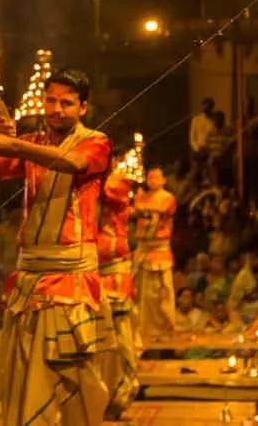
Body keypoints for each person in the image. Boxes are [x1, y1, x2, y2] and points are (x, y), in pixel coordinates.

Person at [0, 67, 112, 426]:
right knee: (23, 375)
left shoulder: (96, 142)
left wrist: (15, 144)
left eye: (67, 102)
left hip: (70, 280)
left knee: (73, 376)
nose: (56, 109)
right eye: (51, 100)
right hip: (30, 277)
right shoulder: (34, 143)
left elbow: (73, 163)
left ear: (84, 107)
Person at [97, 171, 140, 419]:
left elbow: (110, 192)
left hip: (116, 274)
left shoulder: (118, 183)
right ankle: (100, 400)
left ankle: (119, 396)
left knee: (121, 343)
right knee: (99, 346)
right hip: (90, 273)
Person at [133, 167, 177, 339]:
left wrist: (140, 206)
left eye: (156, 177)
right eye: (150, 177)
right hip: (143, 248)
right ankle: (145, 330)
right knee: (144, 293)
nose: (153, 180)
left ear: (163, 180)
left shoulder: (167, 198)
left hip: (160, 249)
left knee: (162, 292)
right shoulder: (142, 197)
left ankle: (165, 329)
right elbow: (136, 209)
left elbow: (155, 211)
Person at [189, 97, 215, 172]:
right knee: (197, 171)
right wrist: (197, 149)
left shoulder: (214, 120)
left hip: (210, 151)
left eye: (209, 107)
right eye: (205, 107)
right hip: (198, 150)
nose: (206, 109)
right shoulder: (196, 120)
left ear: (212, 107)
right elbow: (192, 138)